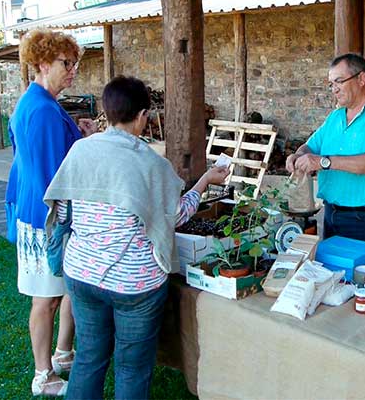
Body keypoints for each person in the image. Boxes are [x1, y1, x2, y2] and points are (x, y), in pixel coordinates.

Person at [43, 76, 230, 400]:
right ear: (143, 115)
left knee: (88, 357)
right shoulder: (151, 164)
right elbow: (177, 216)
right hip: (135, 284)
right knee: (131, 367)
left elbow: (61, 214)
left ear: (107, 110)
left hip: (82, 274)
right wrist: (203, 182)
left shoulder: (79, 150)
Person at [5, 29, 97, 396]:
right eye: (65, 63)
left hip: (44, 213)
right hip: (46, 218)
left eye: (74, 63)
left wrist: (78, 133)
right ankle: (43, 375)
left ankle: (63, 353)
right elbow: (52, 175)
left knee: (67, 290)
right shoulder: (42, 109)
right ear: (42, 63)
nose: (72, 70)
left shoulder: (40, 100)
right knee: (46, 299)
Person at [285, 53, 365, 246]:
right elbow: (311, 146)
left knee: (364, 275)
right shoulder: (335, 117)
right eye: (331, 84)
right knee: (333, 274)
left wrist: (323, 162)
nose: (334, 89)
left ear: (361, 79)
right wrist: (299, 155)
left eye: (339, 82)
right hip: (331, 213)